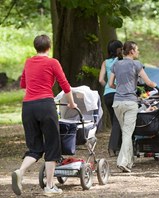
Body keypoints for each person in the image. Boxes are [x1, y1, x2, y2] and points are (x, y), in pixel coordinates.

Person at [11, 34, 77, 196]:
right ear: (49, 47)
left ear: (36, 47)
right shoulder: (52, 62)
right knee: (52, 146)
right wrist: (72, 103)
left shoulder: (28, 62)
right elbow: (65, 86)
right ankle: (49, 186)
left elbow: (23, 85)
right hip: (46, 105)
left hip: (27, 107)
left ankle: (20, 171)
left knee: (34, 148)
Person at [109, 41, 157, 173]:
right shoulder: (136, 64)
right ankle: (122, 162)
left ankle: (129, 162)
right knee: (127, 133)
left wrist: (119, 88)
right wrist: (154, 84)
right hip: (130, 102)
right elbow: (148, 82)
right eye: (137, 50)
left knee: (126, 132)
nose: (138, 52)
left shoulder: (116, 64)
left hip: (117, 102)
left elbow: (110, 83)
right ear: (131, 51)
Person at [99, 40, 123, 157]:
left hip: (107, 95)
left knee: (116, 122)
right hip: (118, 93)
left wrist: (107, 88)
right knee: (118, 121)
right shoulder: (121, 61)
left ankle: (117, 147)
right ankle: (112, 148)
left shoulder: (106, 62)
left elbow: (101, 80)